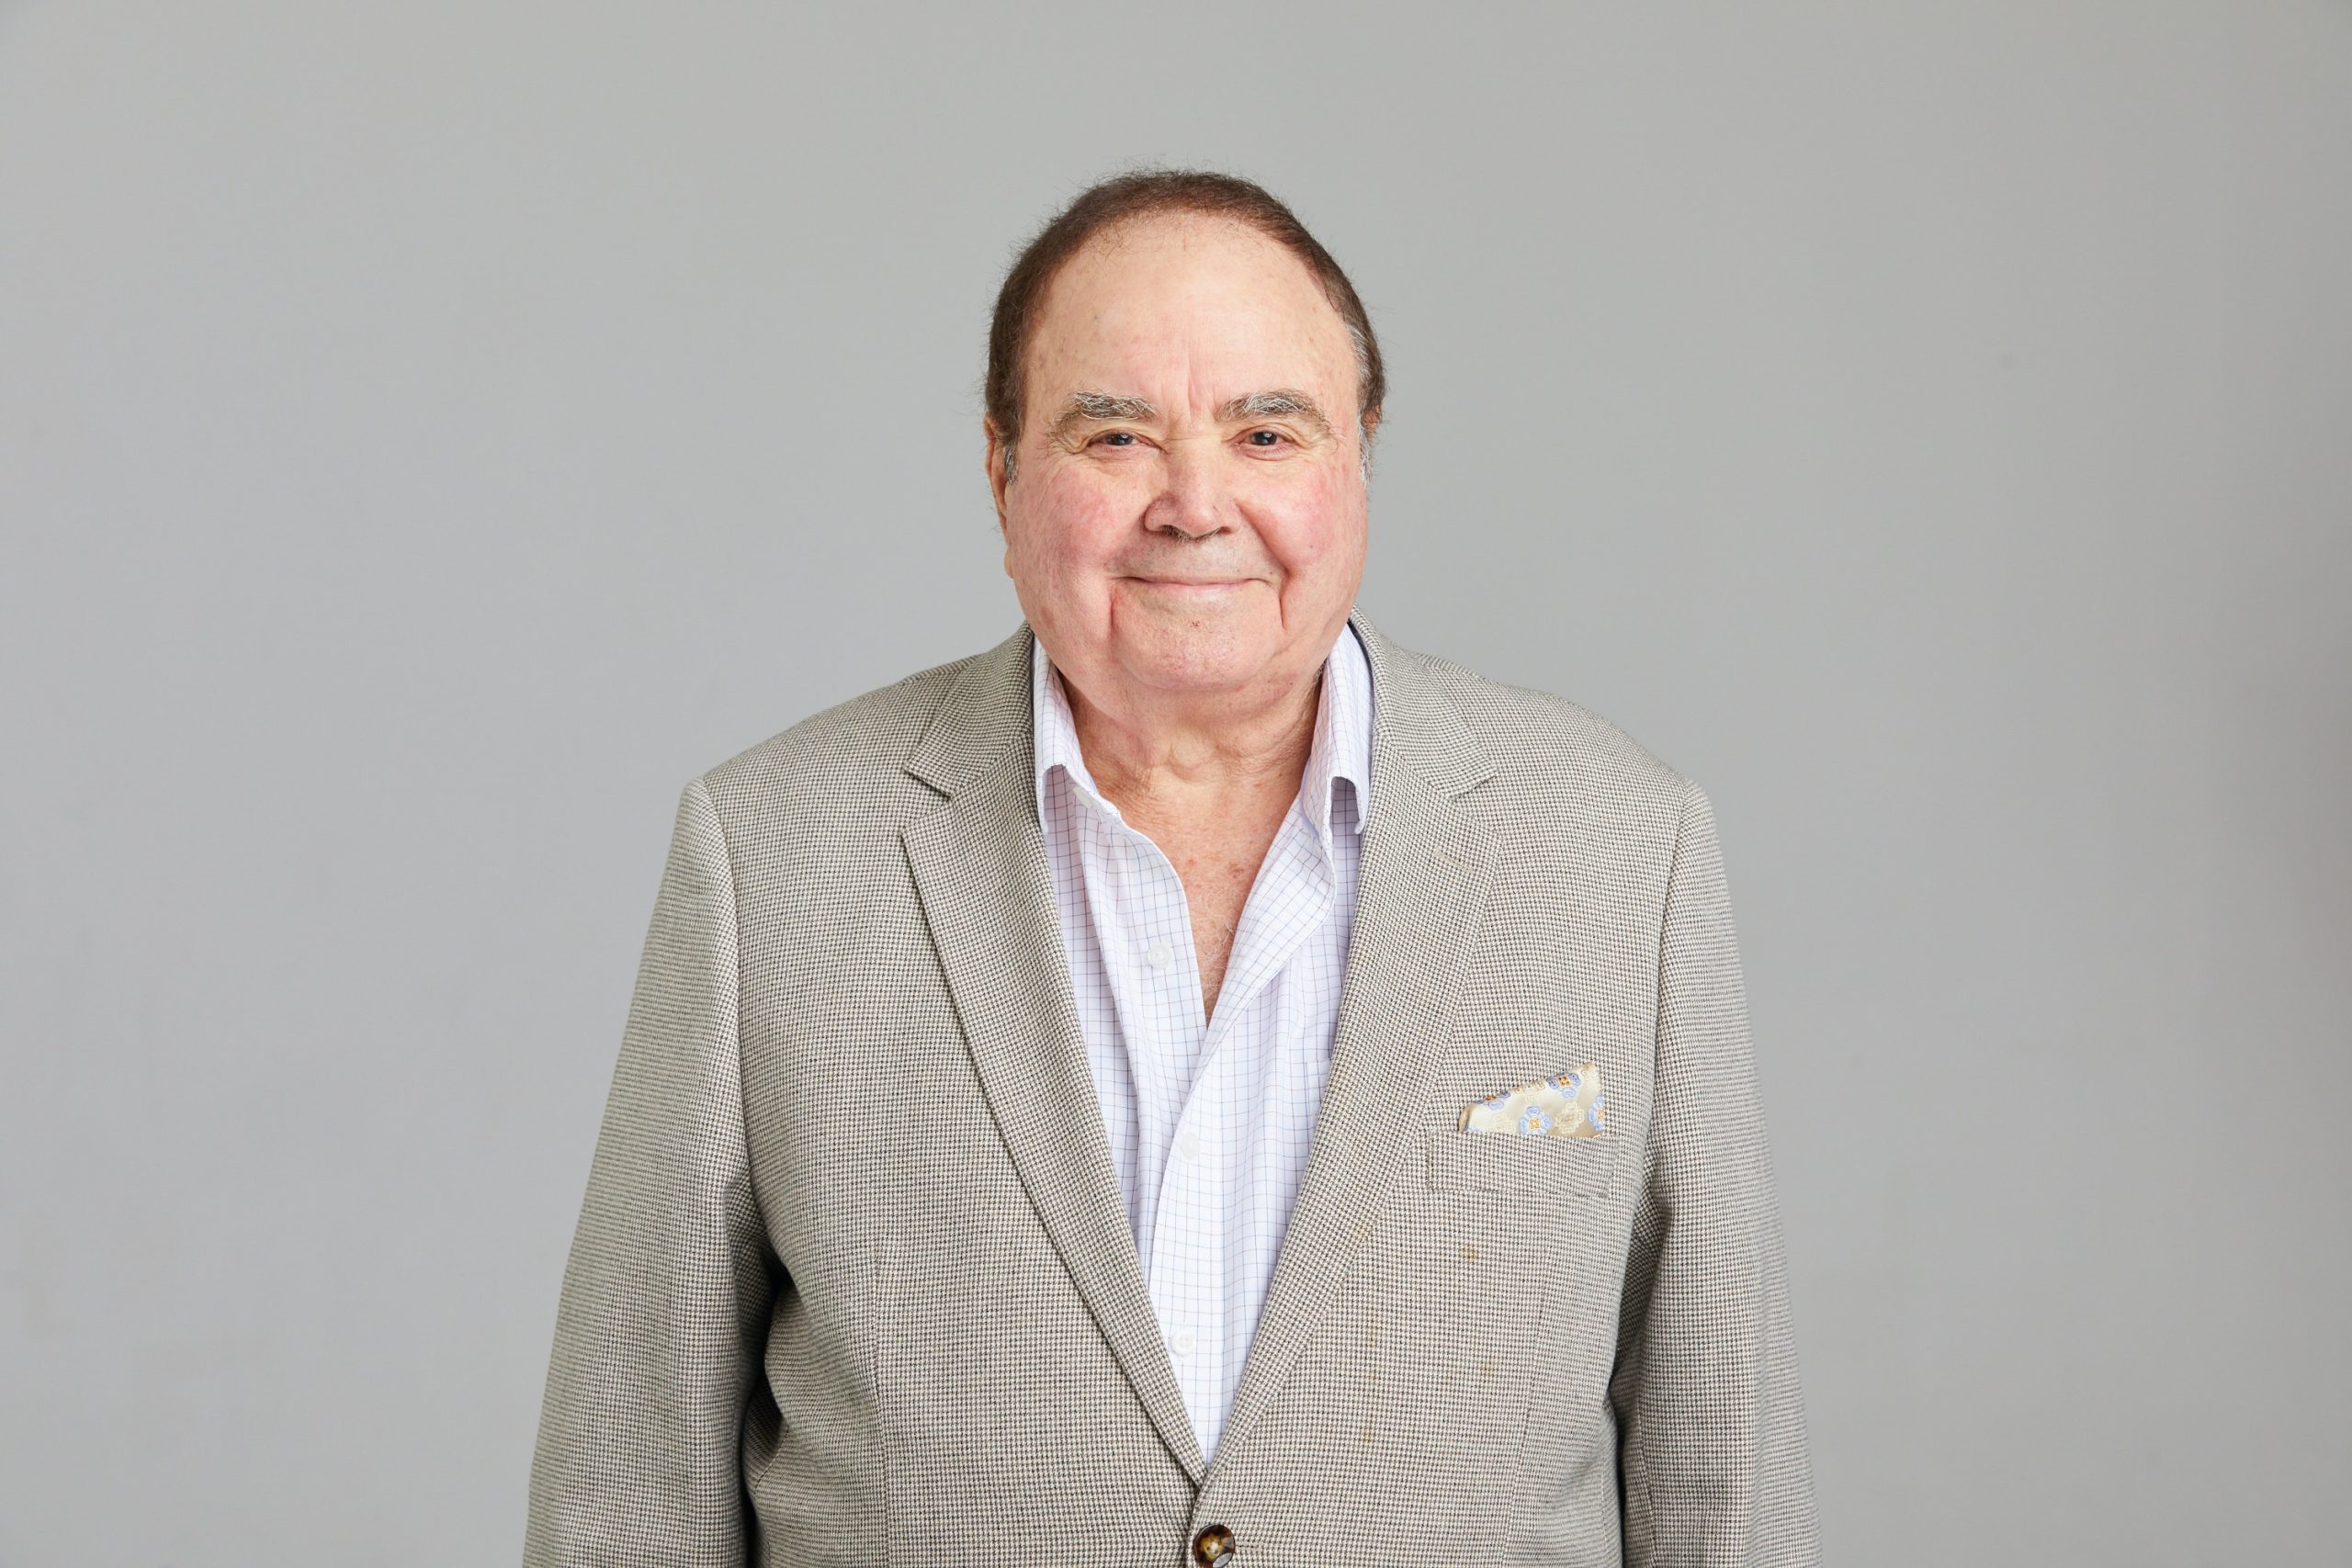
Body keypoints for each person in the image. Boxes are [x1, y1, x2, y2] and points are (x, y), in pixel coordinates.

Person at [523, 168, 1822, 1568]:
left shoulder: (1621, 848)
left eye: (1268, 432)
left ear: (1359, 461)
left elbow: (1724, 1480)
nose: (1196, 505)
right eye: (1116, 436)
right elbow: (627, 1495)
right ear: (1001, 473)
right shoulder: (771, 854)